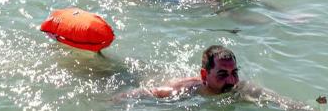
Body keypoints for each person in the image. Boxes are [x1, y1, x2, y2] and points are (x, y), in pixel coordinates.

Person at [117, 45, 314, 109]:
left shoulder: (242, 88)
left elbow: (282, 102)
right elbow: (141, 93)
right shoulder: (182, 90)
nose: (231, 81)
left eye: (234, 73)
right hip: (139, 76)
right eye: (222, 74)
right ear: (204, 74)